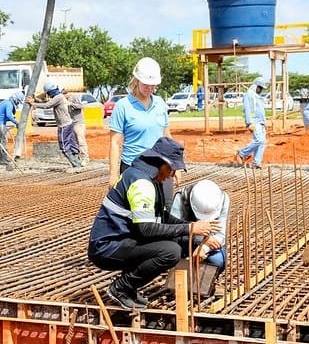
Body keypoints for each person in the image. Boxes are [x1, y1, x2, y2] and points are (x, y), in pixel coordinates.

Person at [88, 137, 220, 310]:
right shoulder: (142, 183)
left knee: (179, 242)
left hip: (125, 239)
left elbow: (163, 217)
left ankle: (129, 289)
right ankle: (121, 288)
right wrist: (190, 228)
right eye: (172, 169)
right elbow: (146, 229)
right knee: (170, 251)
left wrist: (194, 232)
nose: (172, 175)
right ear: (162, 164)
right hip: (108, 247)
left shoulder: (148, 177)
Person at [109, 57, 175, 206]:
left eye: (153, 85)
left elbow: (167, 136)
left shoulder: (160, 103)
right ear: (136, 80)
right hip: (134, 169)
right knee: (139, 215)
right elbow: (115, 143)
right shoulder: (123, 106)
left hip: (161, 168)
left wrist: (174, 165)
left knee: (166, 209)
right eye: (146, 84)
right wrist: (113, 174)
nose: (149, 88)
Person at [167, 179, 229, 268]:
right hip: (185, 240)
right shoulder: (181, 197)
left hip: (209, 242)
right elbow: (173, 232)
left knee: (218, 261)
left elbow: (221, 235)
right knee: (173, 254)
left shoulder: (223, 199)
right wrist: (200, 239)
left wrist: (204, 248)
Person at [29, 82, 82, 171]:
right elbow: (47, 102)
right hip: (69, 123)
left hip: (64, 125)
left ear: (51, 91)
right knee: (73, 144)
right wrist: (36, 100)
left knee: (64, 147)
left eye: (48, 93)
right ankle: (78, 164)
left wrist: (33, 104)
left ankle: (76, 165)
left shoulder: (58, 98)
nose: (48, 95)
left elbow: (47, 105)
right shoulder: (59, 96)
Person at [236, 77, 268, 169]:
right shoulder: (249, 95)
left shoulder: (257, 96)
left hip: (261, 122)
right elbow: (247, 109)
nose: (261, 90)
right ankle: (241, 154)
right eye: (260, 88)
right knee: (259, 140)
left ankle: (256, 163)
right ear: (255, 86)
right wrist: (249, 122)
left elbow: (261, 111)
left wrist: (264, 123)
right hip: (255, 122)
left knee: (263, 142)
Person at [0, 92, 24, 165]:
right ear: (16, 99)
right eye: (18, 102)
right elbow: (9, 115)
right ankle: (3, 159)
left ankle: (1, 159)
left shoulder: (4, 102)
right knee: (3, 140)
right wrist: (16, 122)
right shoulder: (9, 104)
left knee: (1, 140)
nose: (17, 103)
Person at [66, 90, 90, 167]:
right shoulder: (64, 100)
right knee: (75, 142)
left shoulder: (74, 97)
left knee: (81, 142)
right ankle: (79, 159)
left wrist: (71, 104)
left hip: (79, 123)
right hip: (72, 123)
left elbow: (81, 106)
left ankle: (85, 159)